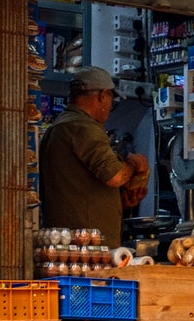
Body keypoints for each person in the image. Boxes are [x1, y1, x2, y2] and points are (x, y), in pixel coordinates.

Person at [39, 67, 150, 240]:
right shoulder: (84, 127)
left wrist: (120, 202)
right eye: (111, 99)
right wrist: (135, 164)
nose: (110, 105)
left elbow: (77, 189)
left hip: (69, 240)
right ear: (103, 95)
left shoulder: (60, 127)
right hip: (86, 246)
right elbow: (116, 176)